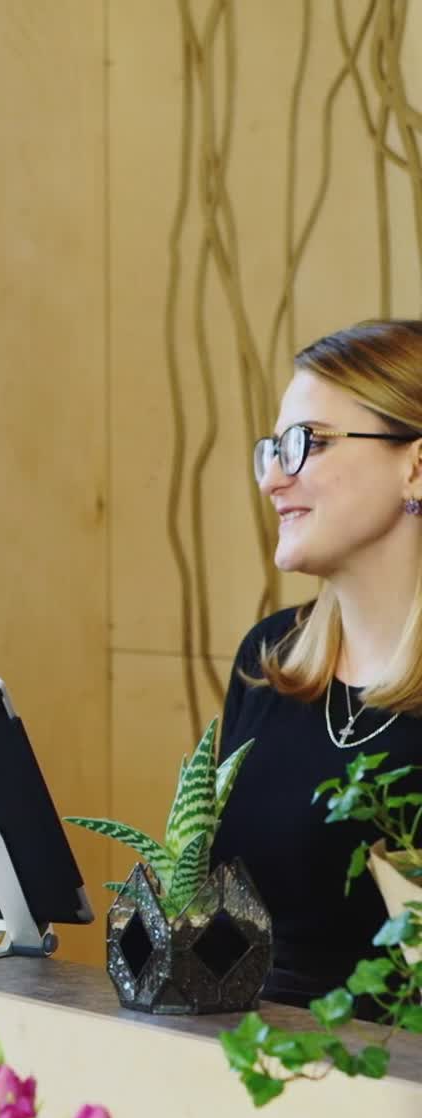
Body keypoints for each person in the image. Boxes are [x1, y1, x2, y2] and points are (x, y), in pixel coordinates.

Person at [214, 319, 422, 1010]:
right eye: (273, 449)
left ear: (415, 465)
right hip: (248, 1065)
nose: (274, 478)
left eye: (309, 443)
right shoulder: (268, 659)